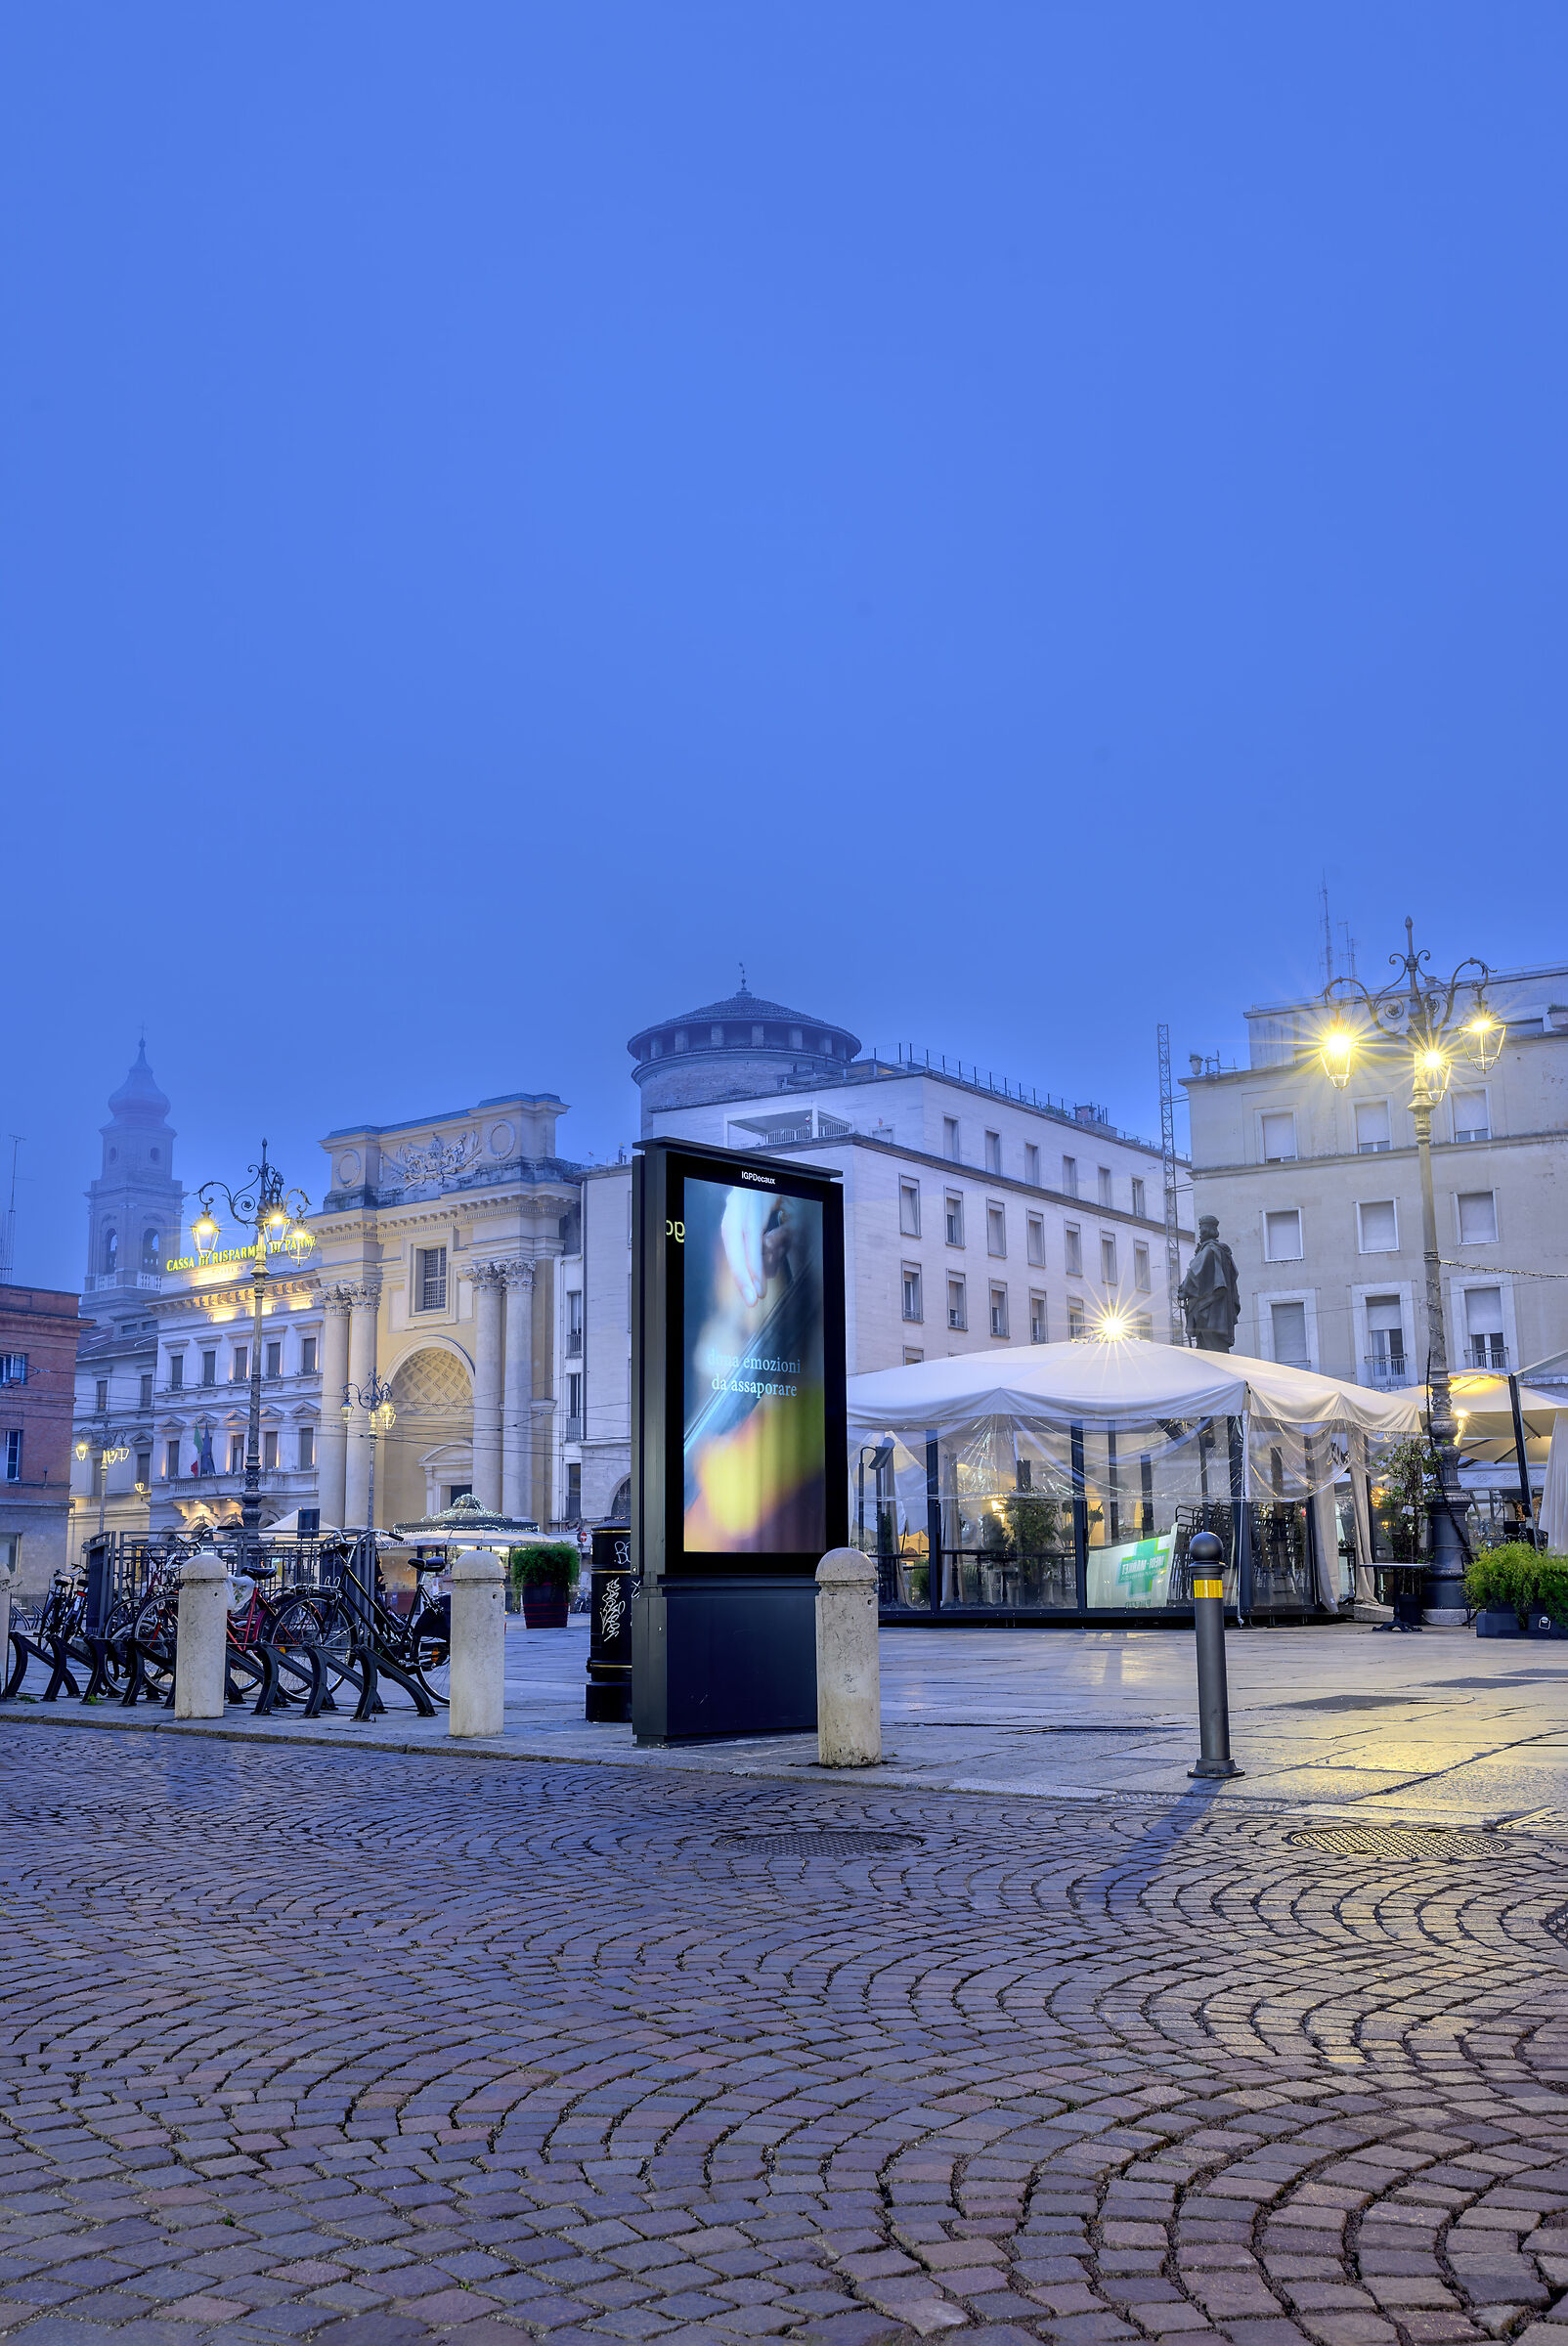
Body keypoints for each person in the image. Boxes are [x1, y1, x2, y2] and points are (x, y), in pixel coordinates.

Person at [1178, 1216, 1241, 1352]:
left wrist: (1183, 1290)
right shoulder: (1221, 1252)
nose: (1199, 1234)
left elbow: (1195, 1275)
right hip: (1217, 1313)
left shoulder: (1209, 1251)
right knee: (1210, 1351)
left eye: (1201, 1230)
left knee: (1211, 1351)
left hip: (1208, 1313)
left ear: (1206, 1231)